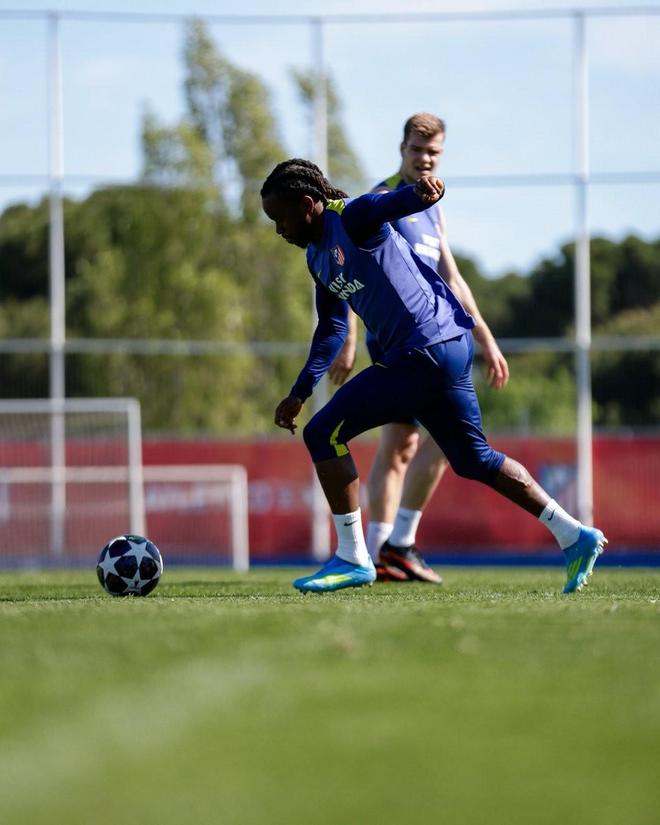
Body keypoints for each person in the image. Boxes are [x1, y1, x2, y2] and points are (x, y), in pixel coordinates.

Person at [260, 158, 606, 595]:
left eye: (280, 217)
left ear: (308, 204)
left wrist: (420, 194)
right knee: (474, 459)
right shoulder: (317, 258)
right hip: (446, 347)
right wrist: (301, 390)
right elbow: (332, 328)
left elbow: (388, 205)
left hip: (422, 349)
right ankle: (576, 535)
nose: (279, 229)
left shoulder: (351, 216)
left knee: (323, 433)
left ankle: (353, 557)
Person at [329, 112, 509, 584]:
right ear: (401, 149)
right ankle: (389, 547)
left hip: (437, 337)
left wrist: (487, 339)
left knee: (415, 445)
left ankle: (389, 548)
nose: (425, 159)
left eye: (433, 152)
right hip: (397, 342)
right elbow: (348, 268)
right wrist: (348, 340)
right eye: (417, 150)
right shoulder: (381, 198)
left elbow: (452, 277)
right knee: (415, 444)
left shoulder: (433, 208)